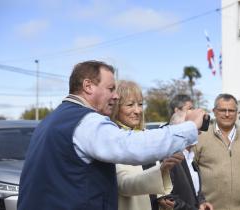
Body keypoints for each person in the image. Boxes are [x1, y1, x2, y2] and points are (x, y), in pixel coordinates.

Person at [17, 60, 206, 210]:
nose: (115, 96)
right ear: (88, 86)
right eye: (110, 89)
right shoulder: (86, 122)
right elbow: (132, 147)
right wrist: (189, 127)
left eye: (140, 104)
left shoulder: (53, 120)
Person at [110, 80, 182, 210]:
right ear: (116, 107)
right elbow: (124, 185)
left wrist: (161, 197)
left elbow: (151, 181)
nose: (137, 110)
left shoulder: (146, 136)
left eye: (140, 104)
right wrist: (161, 170)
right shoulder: (113, 139)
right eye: (130, 104)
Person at [194, 93, 240, 210]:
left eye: (231, 110)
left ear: (237, 113)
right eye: (222, 110)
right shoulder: (200, 137)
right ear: (214, 111)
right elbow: (191, 171)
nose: (227, 114)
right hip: (209, 207)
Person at [167, 111, 213, 210]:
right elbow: (167, 198)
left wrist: (201, 202)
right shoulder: (169, 159)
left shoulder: (190, 157)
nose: (199, 132)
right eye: (194, 128)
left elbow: (193, 190)